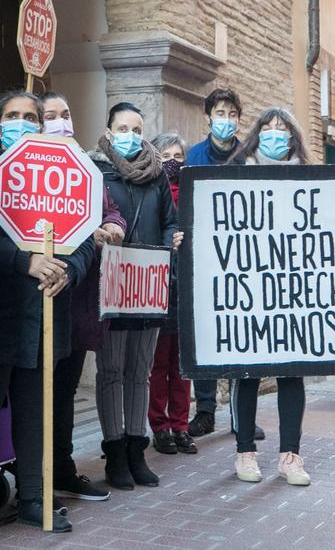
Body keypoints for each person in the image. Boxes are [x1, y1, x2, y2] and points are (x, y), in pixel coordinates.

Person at [0, 90, 98, 541]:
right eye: (12, 115)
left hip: (47, 312)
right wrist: (24, 261)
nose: (22, 122)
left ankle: (34, 498)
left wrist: (69, 269)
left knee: (37, 410)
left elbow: (86, 234)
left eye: (30, 116)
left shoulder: (66, 166)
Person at [91, 102, 181, 490]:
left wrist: (165, 253)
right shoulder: (97, 171)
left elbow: (169, 221)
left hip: (148, 282)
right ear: (110, 132)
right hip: (111, 281)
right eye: (122, 128)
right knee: (111, 370)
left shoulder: (158, 175)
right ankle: (114, 452)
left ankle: (136, 449)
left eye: (137, 127)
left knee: (140, 371)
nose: (130, 134)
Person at [42, 91, 123, 503]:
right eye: (50, 116)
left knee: (65, 390)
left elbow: (109, 211)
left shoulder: (86, 167)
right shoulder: (24, 169)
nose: (61, 122)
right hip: (37, 299)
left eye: (66, 113)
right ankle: (32, 477)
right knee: (36, 393)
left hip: (77, 302)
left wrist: (112, 225)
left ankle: (62, 468)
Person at [229, 106, 312, 487]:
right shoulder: (234, 171)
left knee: (292, 372)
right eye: (268, 128)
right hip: (248, 285)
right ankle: (245, 452)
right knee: (247, 372)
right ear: (257, 133)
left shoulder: (309, 176)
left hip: (293, 287)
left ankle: (290, 457)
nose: (275, 134)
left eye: (283, 129)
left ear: (293, 137)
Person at [183, 88, 263, 442]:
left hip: (242, 258)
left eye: (232, 113)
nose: (226, 119)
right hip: (205, 258)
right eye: (220, 112)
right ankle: (204, 411)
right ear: (208, 117)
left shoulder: (249, 157)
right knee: (207, 333)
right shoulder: (195, 156)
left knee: (240, 333)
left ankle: (240, 415)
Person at [146, 131, 195, 455]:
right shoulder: (153, 194)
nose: (173, 162)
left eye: (178, 156)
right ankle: (159, 426)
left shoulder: (194, 194)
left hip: (187, 291)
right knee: (158, 364)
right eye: (166, 156)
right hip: (160, 289)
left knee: (182, 367)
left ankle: (181, 425)